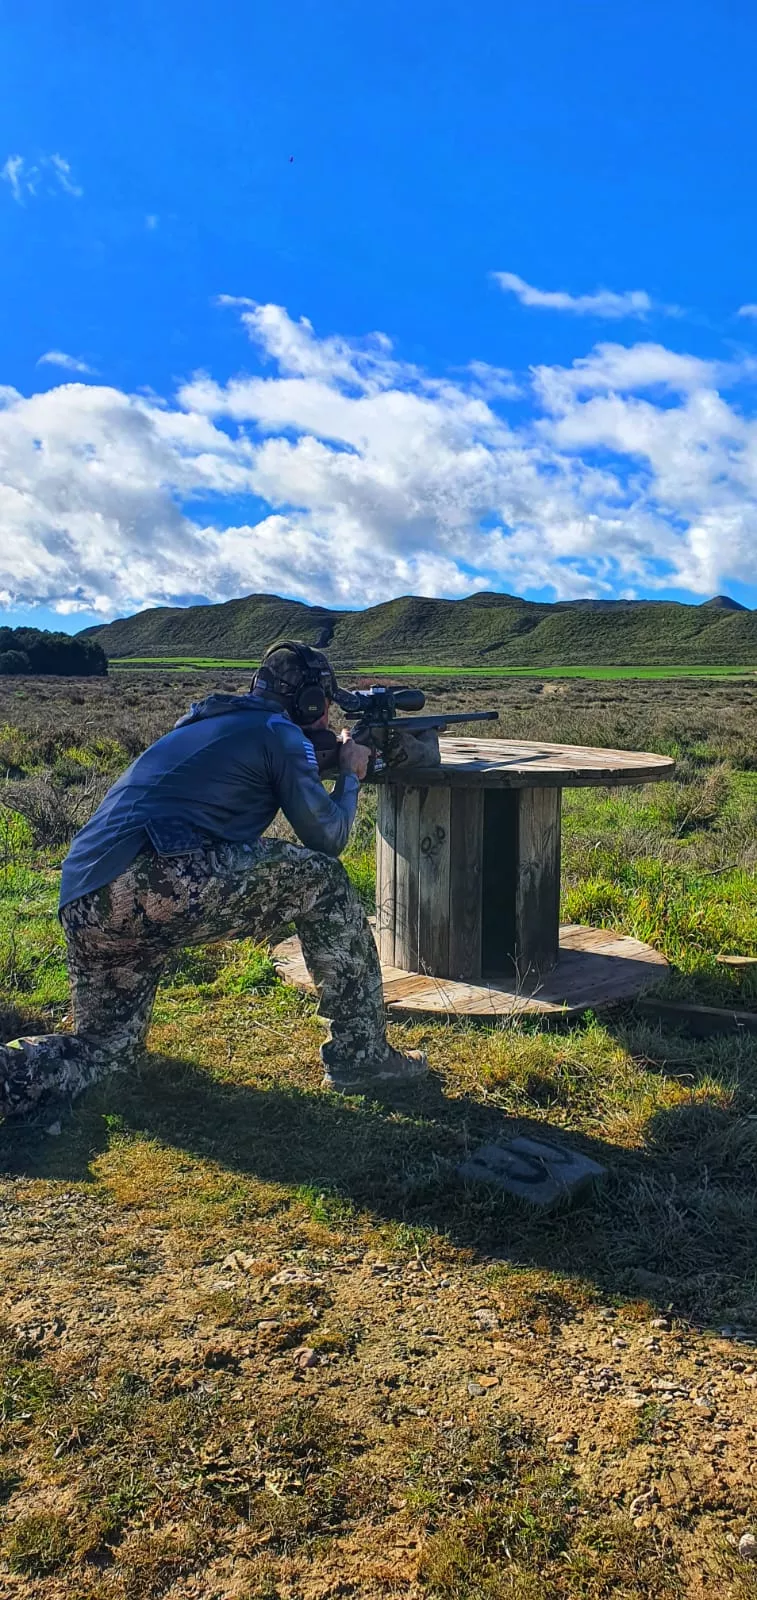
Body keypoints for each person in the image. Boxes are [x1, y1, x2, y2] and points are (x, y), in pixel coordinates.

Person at [0, 642, 427, 1120]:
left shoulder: (206, 724)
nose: (327, 713)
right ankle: (361, 1058)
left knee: (105, 1057)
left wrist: (320, 762)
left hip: (84, 898)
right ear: (309, 702)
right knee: (323, 880)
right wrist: (350, 774)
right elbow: (327, 837)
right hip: (154, 881)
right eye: (324, 701)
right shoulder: (278, 732)